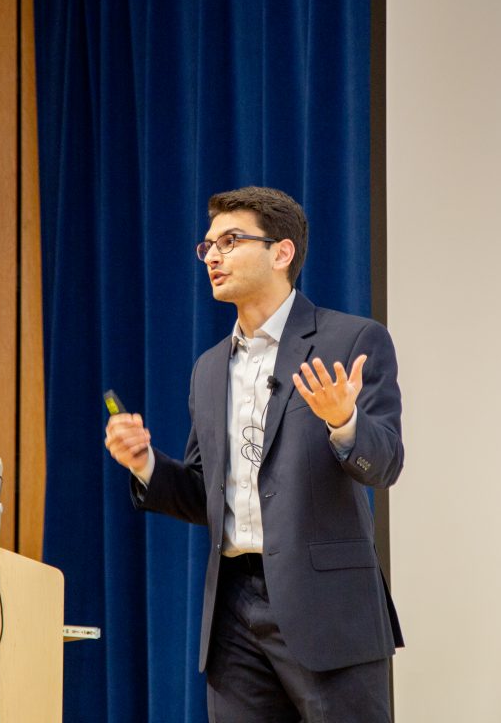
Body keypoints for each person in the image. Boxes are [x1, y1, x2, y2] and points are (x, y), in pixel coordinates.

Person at [104, 186, 404, 722]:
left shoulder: (352, 339)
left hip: (327, 606)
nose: (213, 256)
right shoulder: (209, 367)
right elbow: (204, 496)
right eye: (208, 246)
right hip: (234, 612)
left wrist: (343, 421)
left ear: (281, 252)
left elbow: (385, 464)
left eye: (231, 240)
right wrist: (145, 464)